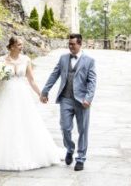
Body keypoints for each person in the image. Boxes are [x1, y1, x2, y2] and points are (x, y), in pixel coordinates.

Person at [0, 35, 61, 170]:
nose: (21, 47)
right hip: (4, 93)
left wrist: (41, 94)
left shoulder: (26, 60)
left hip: (21, 95)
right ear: (11, 46)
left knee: (24, 121)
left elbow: (31, 80)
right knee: (2, 121)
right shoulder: (1, 60)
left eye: (22, 45)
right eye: (19, 45)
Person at [40, 33, 96, 172]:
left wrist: (88, 98)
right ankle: (70, 149)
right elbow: (54, 74)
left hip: (82, 101)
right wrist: (45, 91)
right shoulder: (63, 58)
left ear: (80, 44)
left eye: (73, 44)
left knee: (83, 130)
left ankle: (81, 158)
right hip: (65, 99)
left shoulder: (89, 60)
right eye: (69, 44)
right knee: (65, 128)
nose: (70, 46)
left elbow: (92, 82)